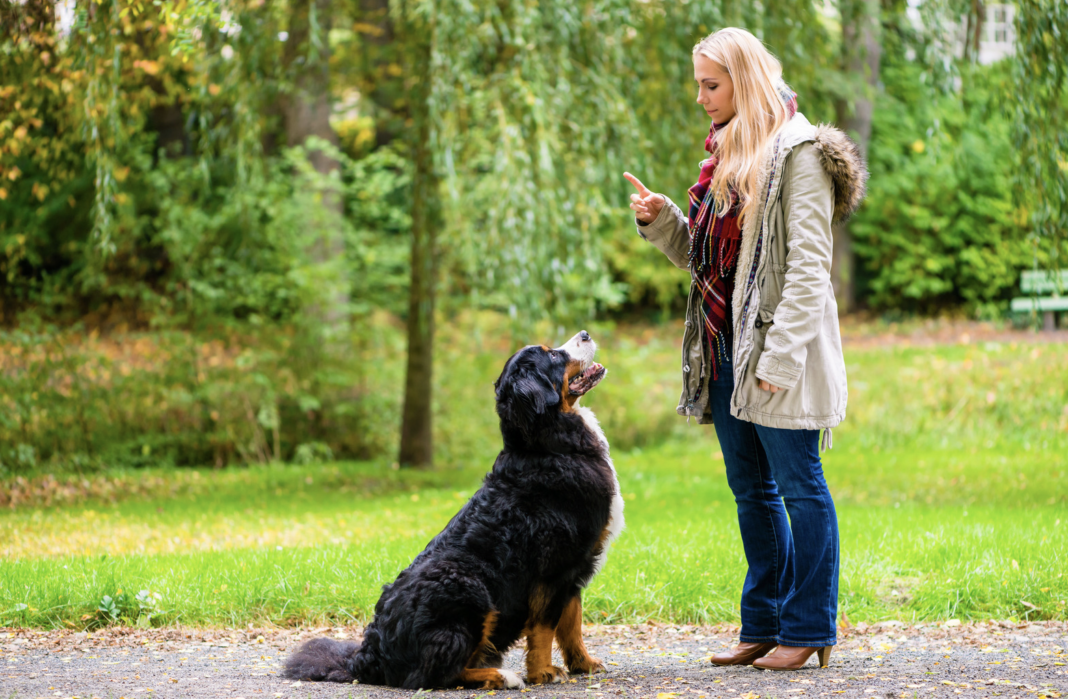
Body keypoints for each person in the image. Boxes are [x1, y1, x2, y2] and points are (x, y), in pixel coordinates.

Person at [624, 27, 867, 671]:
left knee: (800, 485)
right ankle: (763, 623)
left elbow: (811, 270)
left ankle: (811, 625)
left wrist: (779, 360)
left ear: (745, 79)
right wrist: (662, 220)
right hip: (724, 346)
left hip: (778, 355)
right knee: (751, 491)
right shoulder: (727, 154)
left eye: (712, 84)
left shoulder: (801, 154)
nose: (701, 98)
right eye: (698, 84)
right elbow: (708, 262)